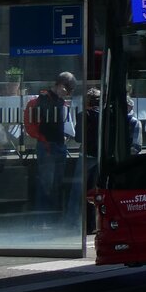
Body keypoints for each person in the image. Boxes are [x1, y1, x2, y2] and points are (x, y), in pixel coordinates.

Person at [34, 71, 76, 221]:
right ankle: (43, 217)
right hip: (48, 145)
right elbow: (46, 123)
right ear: (60, 85)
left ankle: (51, 216)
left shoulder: (58, 100)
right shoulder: (44, 98)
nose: (68, 93)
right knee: (46, 182)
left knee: (56, 182)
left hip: (56, 144)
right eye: (68, 89)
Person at [65, 87, 100, 230]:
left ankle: (72, 221)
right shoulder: (107, 114)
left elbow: (79, 137)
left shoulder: (83, 115)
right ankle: (93, 223)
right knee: (95, 191)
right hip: (99, 156)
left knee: (77, 190)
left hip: (85, 156)